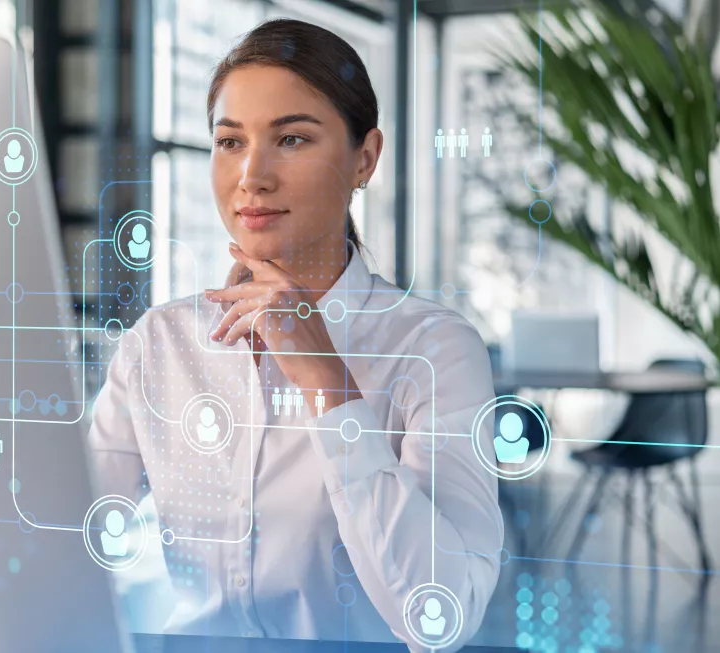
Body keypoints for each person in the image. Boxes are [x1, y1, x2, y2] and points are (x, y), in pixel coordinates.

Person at [87, 18, 503, 652]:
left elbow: (441, 617)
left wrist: (324, 379)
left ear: (364, 158)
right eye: (230, 142)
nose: (252, 176)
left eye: (292, 138)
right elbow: (68, 541)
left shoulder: (434, 349)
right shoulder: (160, 344)